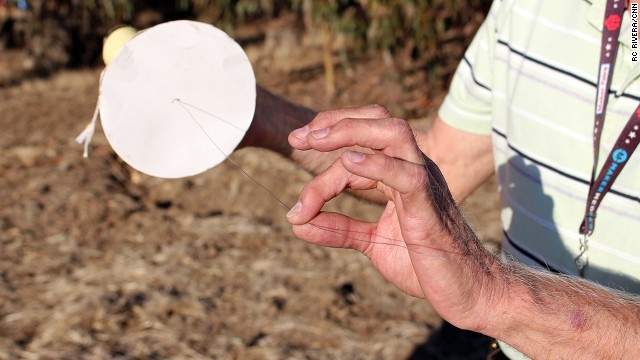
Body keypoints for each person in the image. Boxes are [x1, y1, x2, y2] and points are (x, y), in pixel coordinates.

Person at [238, 0, 640, 358]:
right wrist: (260, 116)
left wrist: (498, 296)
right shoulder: (526, 7)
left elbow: (496, 294)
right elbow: (442, 164)